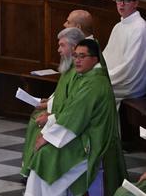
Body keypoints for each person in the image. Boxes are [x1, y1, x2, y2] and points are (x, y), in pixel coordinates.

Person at [24, 39, 126, 196]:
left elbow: (76, 116)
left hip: (93, 140)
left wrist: (47, 137)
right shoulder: (86, 77)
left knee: (46, 157)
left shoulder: (94, 83)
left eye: (82, 56)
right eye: (75, 56)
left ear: (95, 58)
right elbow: (70, 110)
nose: (77, 60)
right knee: (44, 154)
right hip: (81, 132)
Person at [20, 26, 85, 179]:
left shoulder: (79, 72)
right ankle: (30, 171)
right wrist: (49, 102)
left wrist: (50, 116)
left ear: (74, 47)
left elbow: (74, 106)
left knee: (38, 123)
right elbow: (61, 94)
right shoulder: (69, 66)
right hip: (60, 114)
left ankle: (36, 173)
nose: (58, 50)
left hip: (69, 123)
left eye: (62, 45)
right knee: (36, 117)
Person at [103, 0, 146, 105]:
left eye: (126, 1)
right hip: (117, 78)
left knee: (90, 89)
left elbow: (129, 67)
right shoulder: (119, 25)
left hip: (129, 85)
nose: (121, 4)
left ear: (136, 3)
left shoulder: (140, 28)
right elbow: (107, 56)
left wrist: (104, 78)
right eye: (119, 0)